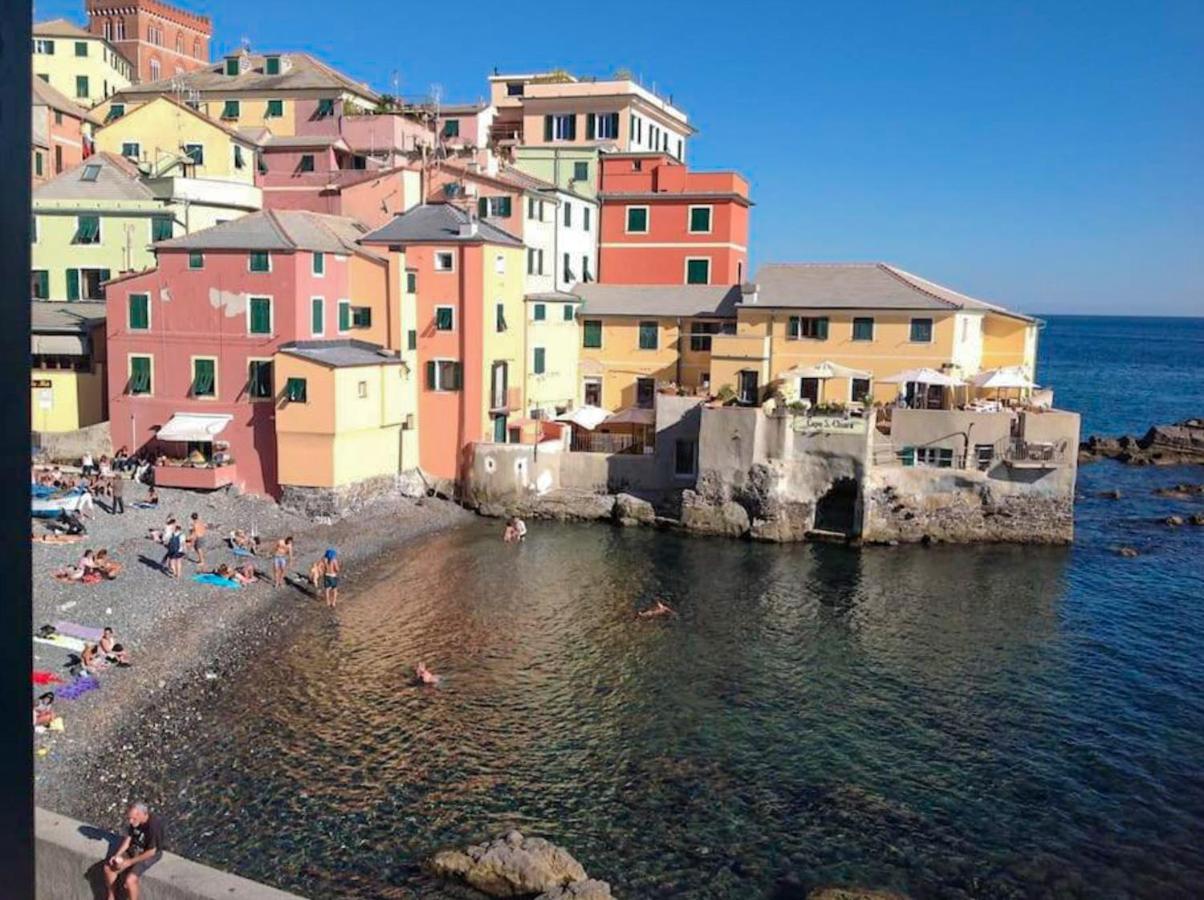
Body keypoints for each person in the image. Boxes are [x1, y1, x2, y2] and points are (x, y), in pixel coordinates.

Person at [103, 802, 164, 900]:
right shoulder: (135, 822)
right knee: (108, 869)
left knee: (130, 881)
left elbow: (152, 851)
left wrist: (129, 862)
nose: (131, 821)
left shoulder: (154, 826)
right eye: (129, 818)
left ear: (142, 814)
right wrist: (117, 855)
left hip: (147, 854)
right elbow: (128, 839)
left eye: (133, 818)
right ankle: (111, 896)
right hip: (134, 848)